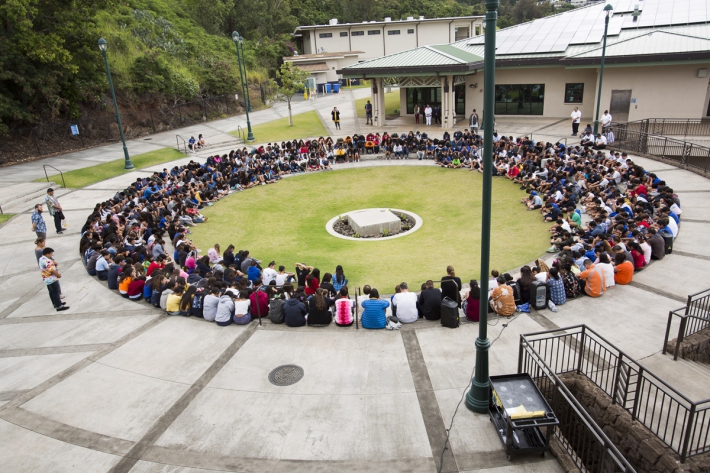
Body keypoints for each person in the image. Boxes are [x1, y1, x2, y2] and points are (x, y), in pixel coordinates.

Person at [39, 247, 69, 312]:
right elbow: (52, 270)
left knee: (51, 292)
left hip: (46, 279)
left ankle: (55, 303)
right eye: (51, 254)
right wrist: (58, 275)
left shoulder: (41, 259)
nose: (51, 255)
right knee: (56, 292)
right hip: (51, 279)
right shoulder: (48, 261)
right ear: (47, 254)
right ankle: (59, 306)